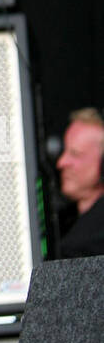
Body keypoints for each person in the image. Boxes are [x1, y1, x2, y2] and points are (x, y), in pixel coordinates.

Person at [55, 107, 104, 258]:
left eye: (75, 154)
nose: (61, 162)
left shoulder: (83, 245)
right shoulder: (64, 222)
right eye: (65, 152)